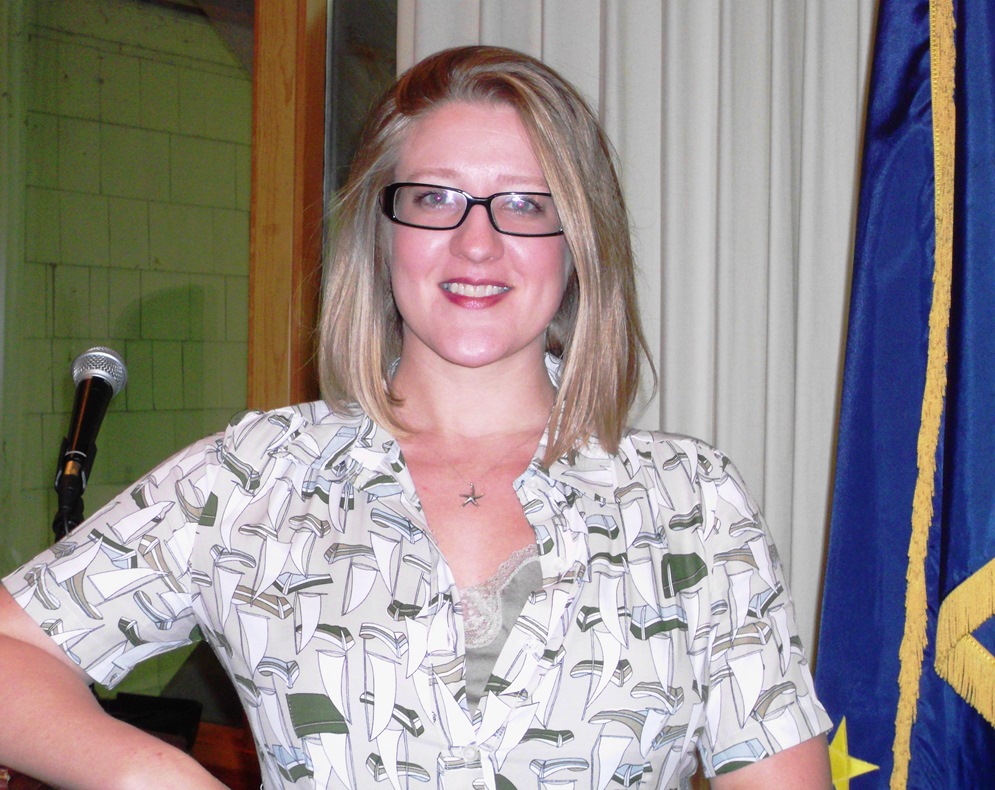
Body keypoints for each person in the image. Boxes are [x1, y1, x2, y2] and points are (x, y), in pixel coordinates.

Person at [0, 46, 832, 789]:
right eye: (435, 198)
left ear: (578, 241)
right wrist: (150, 773)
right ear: (380, 230)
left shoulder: (690, 503)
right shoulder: (255, 476)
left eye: (525, 204)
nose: (477, 243)